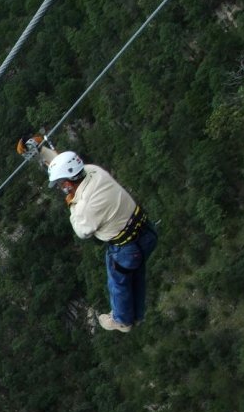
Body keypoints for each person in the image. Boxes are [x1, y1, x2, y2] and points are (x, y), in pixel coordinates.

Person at [17, 135, 158, 332]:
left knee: (119, 284)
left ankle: (122, 321)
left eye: (61, 184)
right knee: (136, 275)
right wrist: (41, 151)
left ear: (67, 184)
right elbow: (65, 164)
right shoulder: (93, 171)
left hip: (126, 248)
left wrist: (71, 205)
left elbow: (82, 231)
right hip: (147, 232)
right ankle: (136, 315)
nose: (60, 187)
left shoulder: (86, 207)